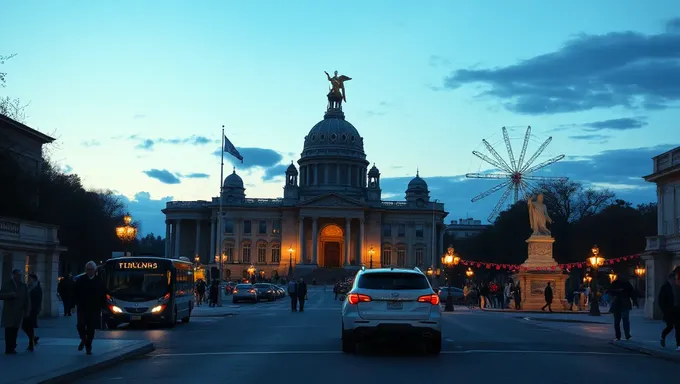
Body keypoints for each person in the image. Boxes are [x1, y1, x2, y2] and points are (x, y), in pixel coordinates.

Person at [73, 261, 106, 355]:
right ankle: (84, 339)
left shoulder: (99, 281)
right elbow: (75, 293)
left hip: (94, 308)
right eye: (87, 269)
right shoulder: (80, 280)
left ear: (95, 270)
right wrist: (73, 305)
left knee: (91, 328)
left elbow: (103, 295)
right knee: (80, 325)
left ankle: (88, 346)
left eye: (91, 269)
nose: (89, 271)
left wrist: (103, 307)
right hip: (82, 307)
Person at [0, 268, 30, 354]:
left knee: (15, 330)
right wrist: (10, 295)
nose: (19, 277)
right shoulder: (7, 284)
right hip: (9, 311)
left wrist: (27, 311)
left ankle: (13, 346)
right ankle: (8, 348)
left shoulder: (23, 286)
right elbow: (1, 295)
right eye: (18, 275)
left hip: (19, 312)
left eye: (20, 275)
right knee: (9, 330)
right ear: (14, 275)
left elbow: (27, 299)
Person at [608, 274, 638, 341]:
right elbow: (632, 293)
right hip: (623, 303)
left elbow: (610, 291)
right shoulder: (627, 284)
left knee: (619, 321)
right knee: (624, 321)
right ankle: (626, 335)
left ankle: (620, 336)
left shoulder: (615, 283)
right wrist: (634, 301)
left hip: (619, 303)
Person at [658, 267, 680, 350]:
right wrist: (664, 311)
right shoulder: (665, 288)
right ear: (670, 279)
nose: (675, 280)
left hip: (677, 310)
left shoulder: (677, 287)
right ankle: (663, 336)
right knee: (670, 326)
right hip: (669, 311)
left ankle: (679, 344)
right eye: (673, 279)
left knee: (678, 327)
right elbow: (661, 300)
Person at [22, 273, 43, 351]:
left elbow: (37, 300)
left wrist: (35, 309)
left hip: (32, 310)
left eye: (30, 278)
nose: (28, 280)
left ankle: (31, 343)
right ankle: (33, 339)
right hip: (28, 309)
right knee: (26, 326)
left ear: (34, 279)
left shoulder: (36, 288)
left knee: (28, 326)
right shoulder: (30, 287)